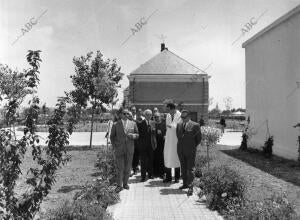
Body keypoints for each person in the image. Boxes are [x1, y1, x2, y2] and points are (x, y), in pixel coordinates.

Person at [110, 108, 139, 192]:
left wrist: (133, 136)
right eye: (124, 113)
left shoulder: (133, 124)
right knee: (120, 168)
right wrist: (115, 146)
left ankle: (125, 183)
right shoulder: (116, 124)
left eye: (127, 114)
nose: (126, 115)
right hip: (119, 149)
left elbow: (137, 135)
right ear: (120, 115)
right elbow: (112, 137)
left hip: (129, 149)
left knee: (128, 167)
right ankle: (119, 185)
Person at [177, 110, 202, 196]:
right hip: (180, 150)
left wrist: (192, 146)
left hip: (190, 150)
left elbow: (198, 139)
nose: (183, 119)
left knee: (190, 169)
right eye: (182, 117)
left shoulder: (195, 125)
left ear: (189, 117)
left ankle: (191, 187)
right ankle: (185, 184)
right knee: (183, 167)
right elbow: (178, 136)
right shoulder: (179, 125)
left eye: (184, 117)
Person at [163, 102, 181, 183]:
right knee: (168, 157)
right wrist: (171, 126)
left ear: (172, 108)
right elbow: (167, 126)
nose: (167, 111)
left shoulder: (179, 115)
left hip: (176, 139)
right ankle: (169, 177)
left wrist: (172, 126)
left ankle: (177, 177)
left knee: (176, 158)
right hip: (169, 139)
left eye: (168, 109)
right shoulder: (168, 115)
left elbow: (179, 125)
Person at [138, 109, 157, 182]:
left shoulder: (153, 123)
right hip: (143, 146)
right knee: (143, 161)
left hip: (151, 145)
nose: (149, 116)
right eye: (147, 114)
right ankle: (143, 176)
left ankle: (150, 174)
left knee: (151, 160)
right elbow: (139, 135)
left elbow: (154, 134)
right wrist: (140, 145)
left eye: (150, 114)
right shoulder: (140, 123)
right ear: (144, 115)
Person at [153, 112, 166, 178]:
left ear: (160, 117)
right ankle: (155, 173)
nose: (156, 118)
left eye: (157, 117)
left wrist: (164, 135)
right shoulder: (153, 124)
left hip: (162, 143)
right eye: (155, 117)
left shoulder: (164, 124)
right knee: (155, 158)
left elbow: (167, 133)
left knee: (162, 158)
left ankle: (162, 173)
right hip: (154, 143)